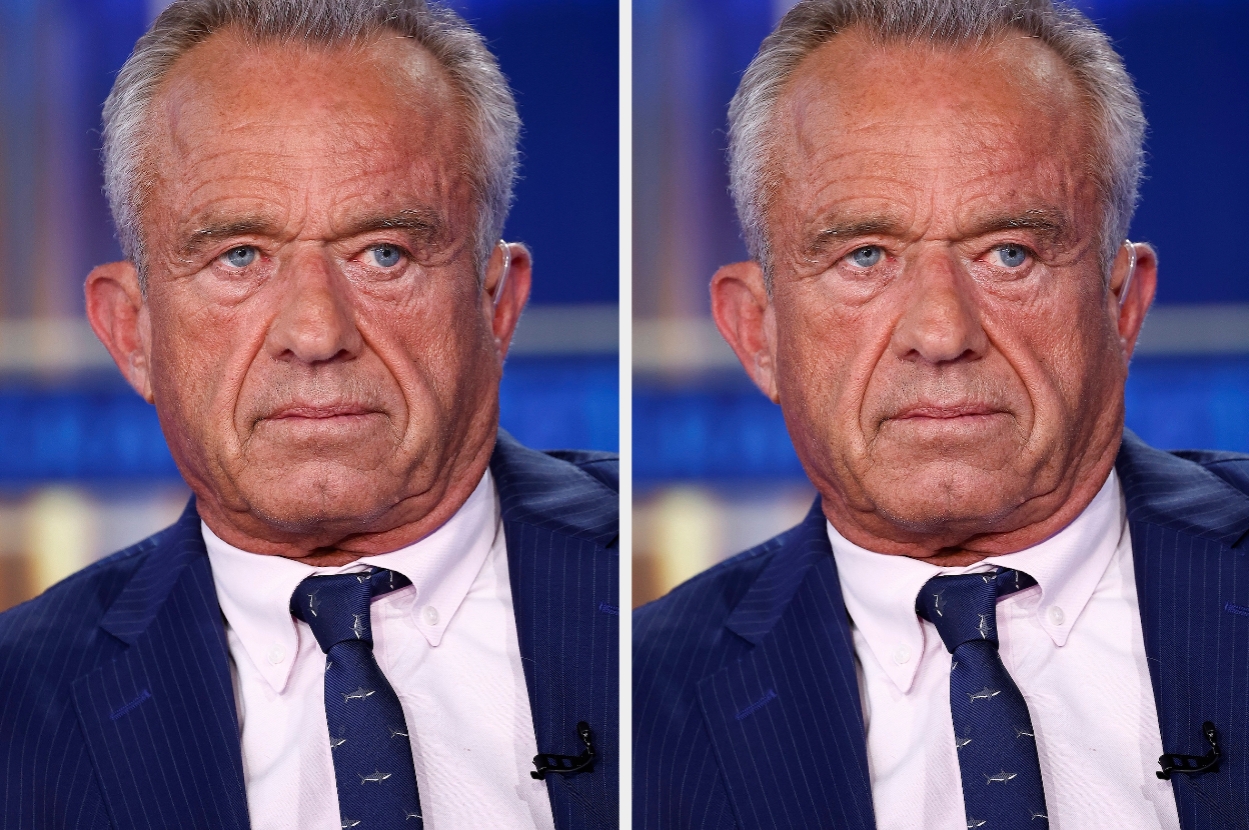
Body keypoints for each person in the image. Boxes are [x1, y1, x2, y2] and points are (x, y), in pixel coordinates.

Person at [0, 2, 617, 829]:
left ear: (496, 303)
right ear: (132, 331)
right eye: (239, 257)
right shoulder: (16, 712)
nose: (317, 334)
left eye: (384, 253)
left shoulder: (670, 609)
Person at [634, 1, 1247, 829]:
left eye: (1009, 254)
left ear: (1121, 303)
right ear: (758, 331)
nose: (940, 333)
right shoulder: (635, 705)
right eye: (864, 257)